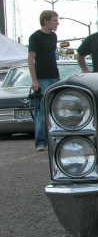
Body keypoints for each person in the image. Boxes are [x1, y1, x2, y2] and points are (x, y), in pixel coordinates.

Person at [28, 10, 60, 151]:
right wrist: (34, 80)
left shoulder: (53, 36)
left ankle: (55, 138)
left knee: (54, 109)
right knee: (42, 111)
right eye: (54, 20)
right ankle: (40, 142)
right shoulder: (35, 37)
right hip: (42, 78)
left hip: (55, 77)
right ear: (46, 21)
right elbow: (30, 59)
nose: (57, 23)